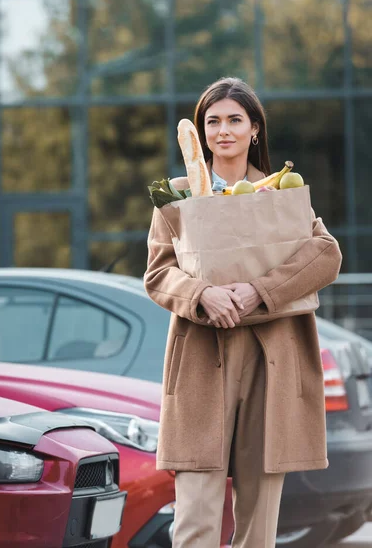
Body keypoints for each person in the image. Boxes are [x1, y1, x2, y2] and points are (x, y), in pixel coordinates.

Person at [144, 77, 342, 548]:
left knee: (258, 526)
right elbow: (158, 274)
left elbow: (327, 254)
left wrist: (259, 290)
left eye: (235, 120)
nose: (223, 130)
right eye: (213, 121)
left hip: (271, 361)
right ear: (201, 130)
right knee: (193, 518)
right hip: (199, 360)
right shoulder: (174, 194)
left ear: (255, 129)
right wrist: (200, 295)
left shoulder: (280, 192)